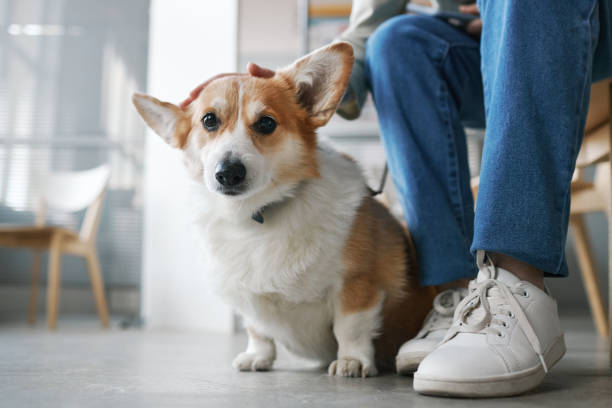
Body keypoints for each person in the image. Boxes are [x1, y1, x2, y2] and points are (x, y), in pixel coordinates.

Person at [182, 0, 612, 397]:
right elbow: (369, 27)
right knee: (396, 42)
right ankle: (454, 294)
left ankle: (516, 286)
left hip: (582, 51)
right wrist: (293, 96)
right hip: (480, 55)